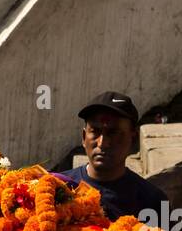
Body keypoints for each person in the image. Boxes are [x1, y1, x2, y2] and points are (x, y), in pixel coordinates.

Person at [62, 92, 167, 220]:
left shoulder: (153, 203)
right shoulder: (58, 188)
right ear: (84, 137)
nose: (102, 143)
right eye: (95, 131)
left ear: (133, 139)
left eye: (113, 133)